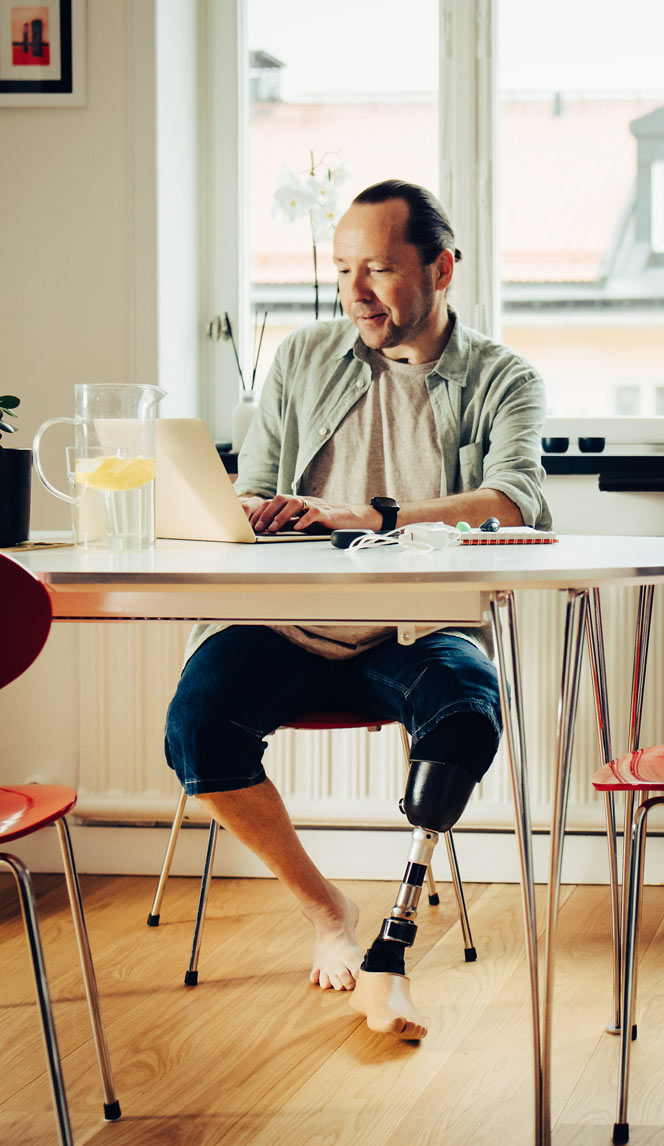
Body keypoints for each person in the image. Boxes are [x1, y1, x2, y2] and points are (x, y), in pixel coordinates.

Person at [163, 180, 550, 1040]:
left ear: (442, 267)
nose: (356, 292)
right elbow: (256, 479)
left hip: (416, 627)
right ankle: (328, 912)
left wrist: (372, 518)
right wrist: (251, 505)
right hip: (280, 620)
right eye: (344, 270)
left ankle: (397, 932)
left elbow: (516, 503)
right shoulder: (303, 357)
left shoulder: (503, 378)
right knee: (197, 730)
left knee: (465, 719)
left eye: (377, 267)